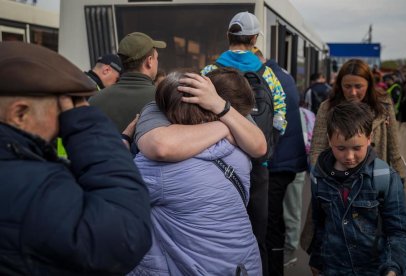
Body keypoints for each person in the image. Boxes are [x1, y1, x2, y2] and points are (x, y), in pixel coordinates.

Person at [0, 41, 152, 275]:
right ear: (20, 114)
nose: (65, 121)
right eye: (63, 109)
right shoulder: (27, 184)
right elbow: (125, 234)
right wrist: (86, 125)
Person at [129, 68, 261, 275]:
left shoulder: (157, 168)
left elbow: (112, 197)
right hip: (244, 264)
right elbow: (259, 145)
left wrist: (123, 141)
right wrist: (226, 124)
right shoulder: (239, 152)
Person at [201, 12, 287, 275]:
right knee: (256, 231)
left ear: (229, 36)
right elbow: (280, 119)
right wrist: (265, 145)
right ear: (254, 39)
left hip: (217, 163)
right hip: (258, 163)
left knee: (219, 231)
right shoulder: (268, 75)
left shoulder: (209, 71)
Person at [301, 58, 406, 254]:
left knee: (369, 244)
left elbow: (394, 148)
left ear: (369, 84)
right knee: (330, 244)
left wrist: (398, 182)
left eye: (359, 86)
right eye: (347, 86)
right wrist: (321, 178)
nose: (353, 92)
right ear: (339, 85)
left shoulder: (382, 105)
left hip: (372, 186)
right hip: (335, 185)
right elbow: (316, 148)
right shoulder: (328, 106)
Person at [309, 101, 406, 276]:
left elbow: (398, 231)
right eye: (341, 148)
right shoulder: (319, 176)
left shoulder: (385, 177)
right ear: (329, 139)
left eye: (357, 148)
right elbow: (320, 225)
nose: (349, 156)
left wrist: (393, 268)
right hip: (332, 268)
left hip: (375, 269)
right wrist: (316, 259)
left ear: (369, 138)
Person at [253, 47, 307, 274]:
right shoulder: (280, 74)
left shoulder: (266, 78)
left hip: (275, 162)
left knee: (269, 222)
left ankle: (272, 267)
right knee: (275, 218)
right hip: (285, 159)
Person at [89, 32, 166, 132]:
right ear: (149, 61)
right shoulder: (164, 100)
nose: (157, 62)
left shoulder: (94, 100)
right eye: (157, 58)